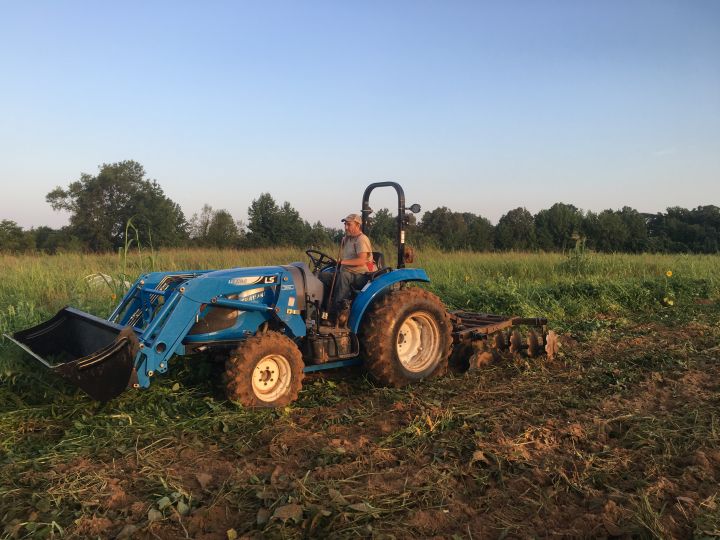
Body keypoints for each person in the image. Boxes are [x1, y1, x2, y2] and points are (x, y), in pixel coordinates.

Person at [319, 213, 375, 320]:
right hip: (346, 272)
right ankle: (321, 308)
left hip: (361, 275)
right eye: (345, 224)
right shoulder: (347, 239)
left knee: (343, 276)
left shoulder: (361, 239)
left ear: (358, 225)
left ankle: (335, 314)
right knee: (322, 276)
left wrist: (342, 262)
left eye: (349, 224)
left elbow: (362, 260)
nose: (346, 227)